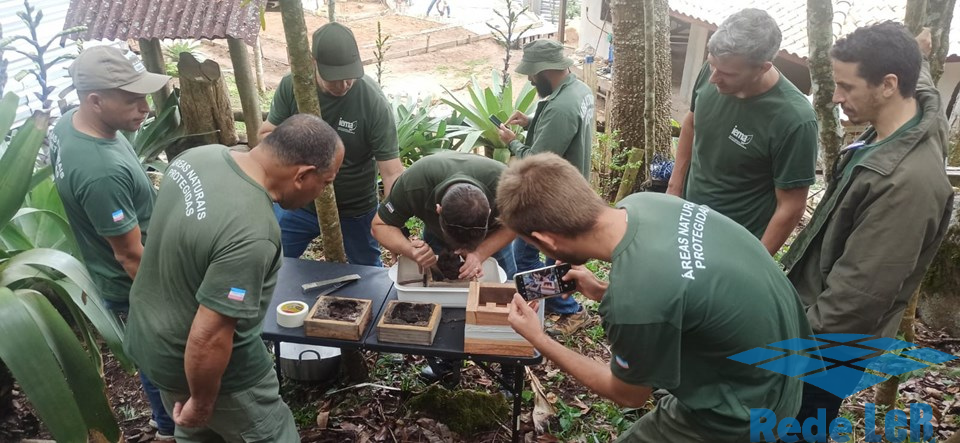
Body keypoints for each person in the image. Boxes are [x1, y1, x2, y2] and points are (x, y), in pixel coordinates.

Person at [499, 153, 811, 442]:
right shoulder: (645, 203)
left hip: (748, 411)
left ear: (545, 239)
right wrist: (601, 290)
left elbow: (628, 394)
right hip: (789, 362)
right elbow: (682, 285)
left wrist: (539, 339)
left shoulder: (634, 302)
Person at [124, 115, 345, 442]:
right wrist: (201, 402)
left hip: (150, 342)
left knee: (198, 436)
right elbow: (209, 336)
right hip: (216, 373)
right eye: (326, 183)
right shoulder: (253, 233)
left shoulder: (196, 158)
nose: (324, 192)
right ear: (302, 175)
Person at [782, 23, 953, 428]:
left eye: (846, 86)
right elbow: (921, 84)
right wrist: (918, 51)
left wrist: (783, 353)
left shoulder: (906, 185)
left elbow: (856, 299)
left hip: (823, 352)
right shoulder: (917, 116)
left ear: (889, 84)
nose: (836, 96)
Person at [49, 45, 174, 440]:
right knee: (159, 354)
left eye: (144, 97)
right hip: (134, 282)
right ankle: (170, 428)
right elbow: (129, 254)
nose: (145, 109)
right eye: (132, 100)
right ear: (96, 100)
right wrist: (167, 297)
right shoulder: (101, 173)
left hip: (120, 264)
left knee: (149, 349)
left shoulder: (70, 123)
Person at [666, 8, 818, 256]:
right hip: (688, 219)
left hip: (736, 241)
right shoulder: (713, 71)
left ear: (762, 68)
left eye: (727, 73)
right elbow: (692, 124)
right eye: (712, 64)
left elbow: (790, 207)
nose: (714, 78)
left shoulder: (795, 121)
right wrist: (674, 189)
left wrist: (755, 262)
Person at [261, 22, 403, 266]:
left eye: (350, 77)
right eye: (334, 79)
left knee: (369, 271)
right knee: (270, 260)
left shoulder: (373, 101)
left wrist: (395, 224)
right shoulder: (294, 86)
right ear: (313, 62)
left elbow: (392, 172)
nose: (343, 85)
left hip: (356, 208)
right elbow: (266, 135)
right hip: (299, 204)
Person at [371, 151, 517, 385]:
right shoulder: (415, 184)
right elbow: (379, 225)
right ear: (438, 209)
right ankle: (447, 362)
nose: (459, 252)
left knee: (504, 299)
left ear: (490, 212)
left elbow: (516, 225)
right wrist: (411, 250)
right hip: (438, 234)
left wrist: (480, 253)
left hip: (490, 238)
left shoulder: (507, 185)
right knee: (442, 298)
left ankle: (509, 365)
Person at [495, 39, 595, 335]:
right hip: (569, 189)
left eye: (531, 74)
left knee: (534, 254)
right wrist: (529, 122)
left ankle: (568, 310)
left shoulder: (561, 107)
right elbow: (562, 131)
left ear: (544, 71)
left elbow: (536, 163)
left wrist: (511, 142)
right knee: (542, 253)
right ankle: (549, 301)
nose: (529, 79)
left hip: (552, 196)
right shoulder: (579, 90)